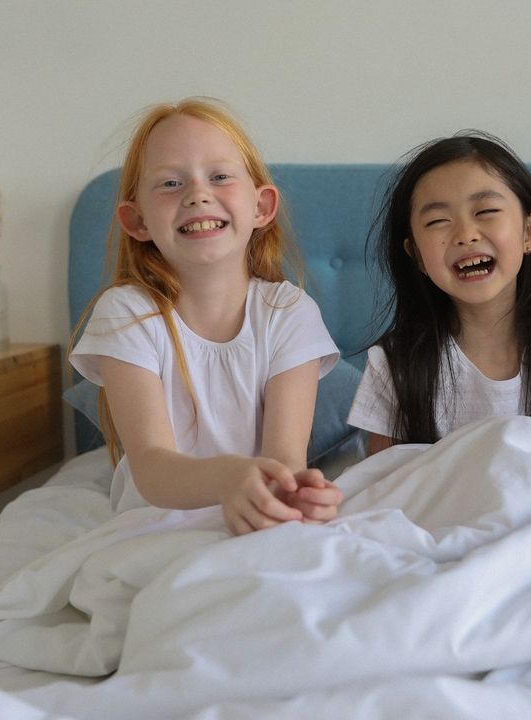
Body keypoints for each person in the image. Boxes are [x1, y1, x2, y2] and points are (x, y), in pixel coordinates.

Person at [70, 98, 343, 535]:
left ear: (261, 207)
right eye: (171, 183)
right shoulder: (126, 314)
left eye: (219, 177)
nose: (198, 194)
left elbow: (284, 460)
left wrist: (296, 493)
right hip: (155, 526)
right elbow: (153, 469)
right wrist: (229, 478)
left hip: (255, 517)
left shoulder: (289, 312)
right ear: (136, 220)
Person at [348, 132, 531, 502]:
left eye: (486, 212)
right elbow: (384, 485)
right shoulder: (397, 362)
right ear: (416, 256)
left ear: (529, 232)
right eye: (438, 221)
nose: (466, 234)